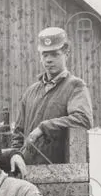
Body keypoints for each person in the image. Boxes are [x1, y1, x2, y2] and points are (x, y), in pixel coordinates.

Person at [11, 26, 93, 165]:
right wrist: (15, 156)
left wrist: (43, 128)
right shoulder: (30, 92)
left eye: (55, 54)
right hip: (27, 170)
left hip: (59, 171)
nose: (49, 60)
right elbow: (18, 133)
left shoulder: (75, 86)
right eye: (45, 55)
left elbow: (83, 119)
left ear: (66, 54)